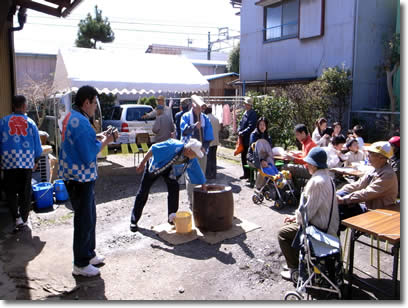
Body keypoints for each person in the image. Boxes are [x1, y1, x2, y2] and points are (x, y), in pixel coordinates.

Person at [59, 85, 117, 277]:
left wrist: (98, 136)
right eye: (94, 103)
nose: (95, 107)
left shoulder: (72, 116)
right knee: (84, 219)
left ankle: (89, 254)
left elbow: (83, 141)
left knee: (89, 216)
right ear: (86, 103)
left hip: (75, 176)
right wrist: (107, 141)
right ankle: (81, 264)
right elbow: (88, 154)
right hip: (79, 177)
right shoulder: (82, 122)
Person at [278, 147, 339, 279]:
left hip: (320, 229)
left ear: (313, 165)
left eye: (308, 163)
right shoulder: (327, 178)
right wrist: (295, 217)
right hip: (328, 225)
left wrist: (296, 219)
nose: (306, 165)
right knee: (290, 229)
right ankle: (297, 262)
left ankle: (294, 269)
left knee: (283, 234)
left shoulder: (317, 182)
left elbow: (306, 214)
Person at [130, 138, 207, 232]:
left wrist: (203, 184)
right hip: (156, 165)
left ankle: (172, 218)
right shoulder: (173, 145)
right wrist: (142, 163)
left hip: (170, 170)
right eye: (195, 154)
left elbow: (197, 170)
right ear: (189, 150)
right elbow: (153, 148)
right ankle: (134, 220)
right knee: (143, 191)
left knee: (174, 188)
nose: (195, 156)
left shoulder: (190, 158)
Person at [0, 95, 42, 230]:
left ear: (13, 106)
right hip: (26, 163)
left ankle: (16, 218)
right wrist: (36, 160)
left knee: (10, 192)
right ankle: (24, 219)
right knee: (25, 192)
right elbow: (37, 147)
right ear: (24, 106)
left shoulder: (3, 122)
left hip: (8, 163)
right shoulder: (31, 123)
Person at [337, 141, 398, 224]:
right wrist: (339, 192)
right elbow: (359, 184)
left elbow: (367, 193)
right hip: (368, 207)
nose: (367, 156)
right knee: (337, 205)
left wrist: (344, 200)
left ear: (381, 157)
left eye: (371, 153)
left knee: (339, 212)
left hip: (378, 212)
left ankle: (332, 233)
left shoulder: (388, 175)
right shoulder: (374, 169)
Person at [180, 95, 213, 205]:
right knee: (190, 176)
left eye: (202, 108)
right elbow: (184, 131)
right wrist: (194, 126)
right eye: (199, 107)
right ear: (193, 106)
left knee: (201, 175)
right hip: (189, 151)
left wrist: (205, 147)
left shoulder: (205, 118)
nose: (200, 110)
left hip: (201, 151)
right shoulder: (185, 116)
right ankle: (192, 200)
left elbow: (209, 135)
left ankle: (200, 198)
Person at [283, 124, 317, 193]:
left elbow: (305, 160)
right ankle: (297, 188)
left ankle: (295, 190)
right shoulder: (305, 142)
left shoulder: (310, 144)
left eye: (297, 134)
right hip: (308, 168)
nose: (296, 137)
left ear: (303, 133)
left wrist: (292, 158)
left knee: (286, 167)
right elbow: (304, 155)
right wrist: (295, 155)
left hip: (310, 170)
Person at [238, 97, 257, 180]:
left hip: (248, 139)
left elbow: (251, 126)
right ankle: (245, 173)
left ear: (250, 105)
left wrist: (243, 132)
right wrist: (239, 130)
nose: (245, 105)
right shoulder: (245, 112)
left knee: (249, 157)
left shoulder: (253, 114)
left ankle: (250, 176)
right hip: (242, 138)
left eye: (246, 104)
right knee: (243, 157)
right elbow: (241, 123)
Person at [204, 106, 220, 179]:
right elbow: (219, 129)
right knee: (213, 157)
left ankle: (208, 174)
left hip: (208, 141)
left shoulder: (205, 118)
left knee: (208, 158)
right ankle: (214, 174)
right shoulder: (216, 118)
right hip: (215, 141)